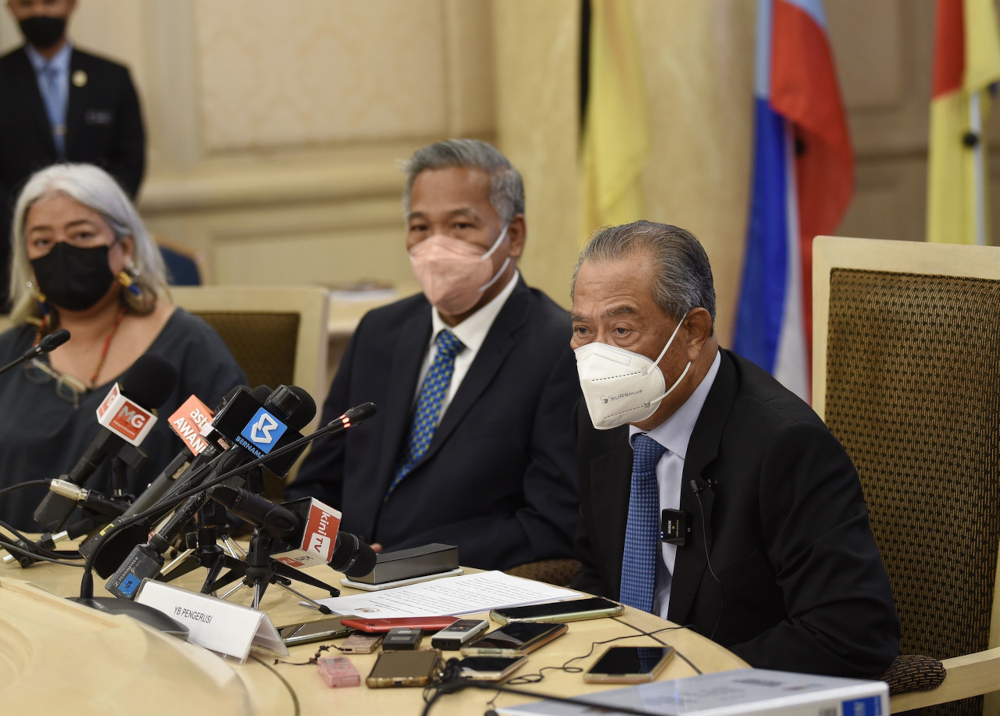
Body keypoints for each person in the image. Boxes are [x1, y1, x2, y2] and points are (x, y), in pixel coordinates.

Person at [569, 220, 899, 677]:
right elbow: (598, 571)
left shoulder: (784, 445)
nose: (597, 358)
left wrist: (682, 683)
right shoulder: (600, 419)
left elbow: (850, 635)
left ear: (693, 331)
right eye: (584, 330)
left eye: (622, 330)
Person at [286, 139, 580, 570]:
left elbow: (552, 523)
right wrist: (330, 550)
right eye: (421, 228)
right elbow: (318, 481)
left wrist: (408, 561)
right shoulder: (379, 332)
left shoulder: (559, 350)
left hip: (462, 589)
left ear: (513, 235)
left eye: (460, 226)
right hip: (340, 581)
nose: (436, 247)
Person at [0, 163, 244, 531]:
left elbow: (241, 480)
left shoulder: (190, 346)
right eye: (43, 242)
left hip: (141, 573)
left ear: (124, 246)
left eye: (81, 235)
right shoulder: (12, 352)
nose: (61, 252)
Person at [0, 0, 145, 302]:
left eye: (50, 2)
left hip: (100, 250)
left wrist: (91, 222)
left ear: (71, 4)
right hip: (13, 254)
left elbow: (130, 163)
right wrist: (28, 226)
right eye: (27, 3)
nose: (39, 12)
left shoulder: (112, 78)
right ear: (10, 7)